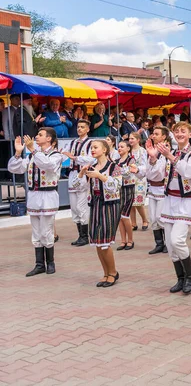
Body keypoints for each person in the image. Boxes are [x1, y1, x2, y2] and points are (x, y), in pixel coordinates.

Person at [146, 121, 191, 294]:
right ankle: (180, 277)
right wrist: (154, 159)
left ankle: (190, 276)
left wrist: (170, 157)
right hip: (170, 201)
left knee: (177, 240)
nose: (180, 134)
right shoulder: (170, 153)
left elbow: (190, 173)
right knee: (170, 244)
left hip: (186, 202)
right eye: (177, 131)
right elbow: (155, 175)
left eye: (183, 131)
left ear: (190, 135)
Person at [8, 128, 62, 276]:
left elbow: (48, 165)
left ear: (49, 139)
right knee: (36, 232)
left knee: (47, 230)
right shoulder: (33, 155)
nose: (36, 137)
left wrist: (32, 149)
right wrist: (18, 152)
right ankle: (39, 264)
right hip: (34, 195)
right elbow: (14, 168)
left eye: (40, 135)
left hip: (48, 195)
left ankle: (50, 262)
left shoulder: (56, 155)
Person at [73, 140, 122, 287]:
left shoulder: (114, 167)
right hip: (95, 204)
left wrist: (100, 176)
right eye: (91, 147)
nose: (92, 150)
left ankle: (113, 272)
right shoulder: (91, 167)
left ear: (105, 150)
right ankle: (106, 273)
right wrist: (81, 173)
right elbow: (76, 186)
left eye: (95, 147)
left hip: (110, 205)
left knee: (104, 241)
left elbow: (117, 186)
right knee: (96, 241)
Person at [62, 120, 94, 246]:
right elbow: (65, 155)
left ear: (87, 129)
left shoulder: (90, 143)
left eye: (82, 127)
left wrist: (75, 158)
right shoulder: (73, 142)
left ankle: (85, 236)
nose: (79, 129)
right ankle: (81, 235)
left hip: (84, 174)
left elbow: (92, 159)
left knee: (82, 206)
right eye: (78, 127)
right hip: (72, 174)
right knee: (74, 206)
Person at [145, 127, 171, 255]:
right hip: (152, 188)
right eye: (153, 134)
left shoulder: (165, 152)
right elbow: (147, 171)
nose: (153, 136)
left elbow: (160, 173)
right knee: (153, 218)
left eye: (157, 134)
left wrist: (153, 159)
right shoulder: (150, 151)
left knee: (161, 217)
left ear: (164, 137)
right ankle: (159, 243)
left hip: (162, 188)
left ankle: (167, 243)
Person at [115, 141, 137, 250]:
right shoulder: (116, 161)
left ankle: (130, 240)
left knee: (125, 215)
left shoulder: (131, 160)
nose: (119, 148)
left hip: (128, 188)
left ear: (128, 148)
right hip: (119, 189)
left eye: (122, 146)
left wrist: (118, 171)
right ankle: (123, 240)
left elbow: (128, 174)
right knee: (119, 216)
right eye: (118, 147)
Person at [129, 132, 149, 231]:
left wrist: (136, 168)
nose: (130, 140)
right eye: (129, 138)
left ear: (138, 140)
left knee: (138, 201)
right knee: (131, 202)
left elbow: (145, 165)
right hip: (130, 177)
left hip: (140, 177)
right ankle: (133, 223)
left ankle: (145, 220)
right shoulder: (129, 151)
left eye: (132, 138)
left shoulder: (142, 151)